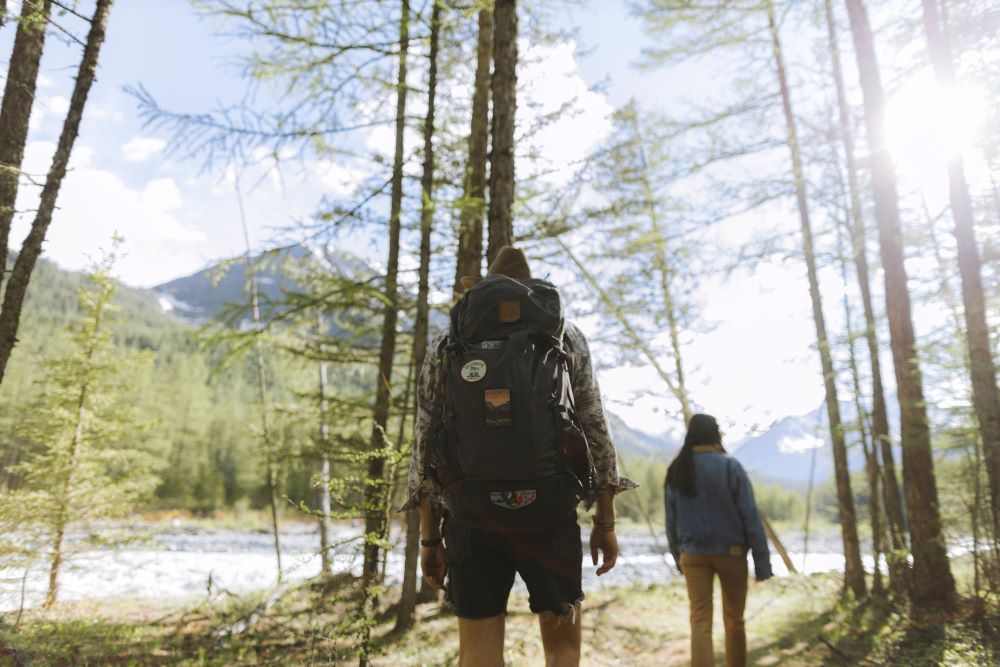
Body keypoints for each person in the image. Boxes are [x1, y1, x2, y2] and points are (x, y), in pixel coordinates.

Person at [405, 246, 634, 667]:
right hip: (548, 512)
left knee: (477, 657)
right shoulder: (565, 336)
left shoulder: (449, 339)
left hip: (471, 515)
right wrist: (605, 520)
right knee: (563, 651)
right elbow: (595, 426)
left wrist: (429, 535)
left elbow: (424, 439)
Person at [664, 413, 772, 667]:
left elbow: (671, 521)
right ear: (715, 434)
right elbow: (750, 517)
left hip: (692, 554)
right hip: (731, 554)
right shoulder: (730, 466)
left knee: (700, 621)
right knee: (735, 620)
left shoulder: (676, 469)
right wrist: (762, 563)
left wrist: (678, 556)